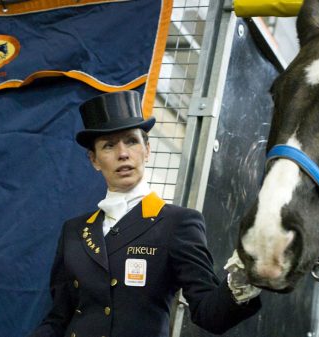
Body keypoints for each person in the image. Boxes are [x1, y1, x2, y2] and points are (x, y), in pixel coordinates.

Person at [29, 90, 261, 337]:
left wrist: (244, 276)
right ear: (94, 160)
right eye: (108, 145)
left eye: (131, 141)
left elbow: (209, 315)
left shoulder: (177, 223)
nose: (123, 154)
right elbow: (59, 317)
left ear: (148, 149)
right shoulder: (73, 231)